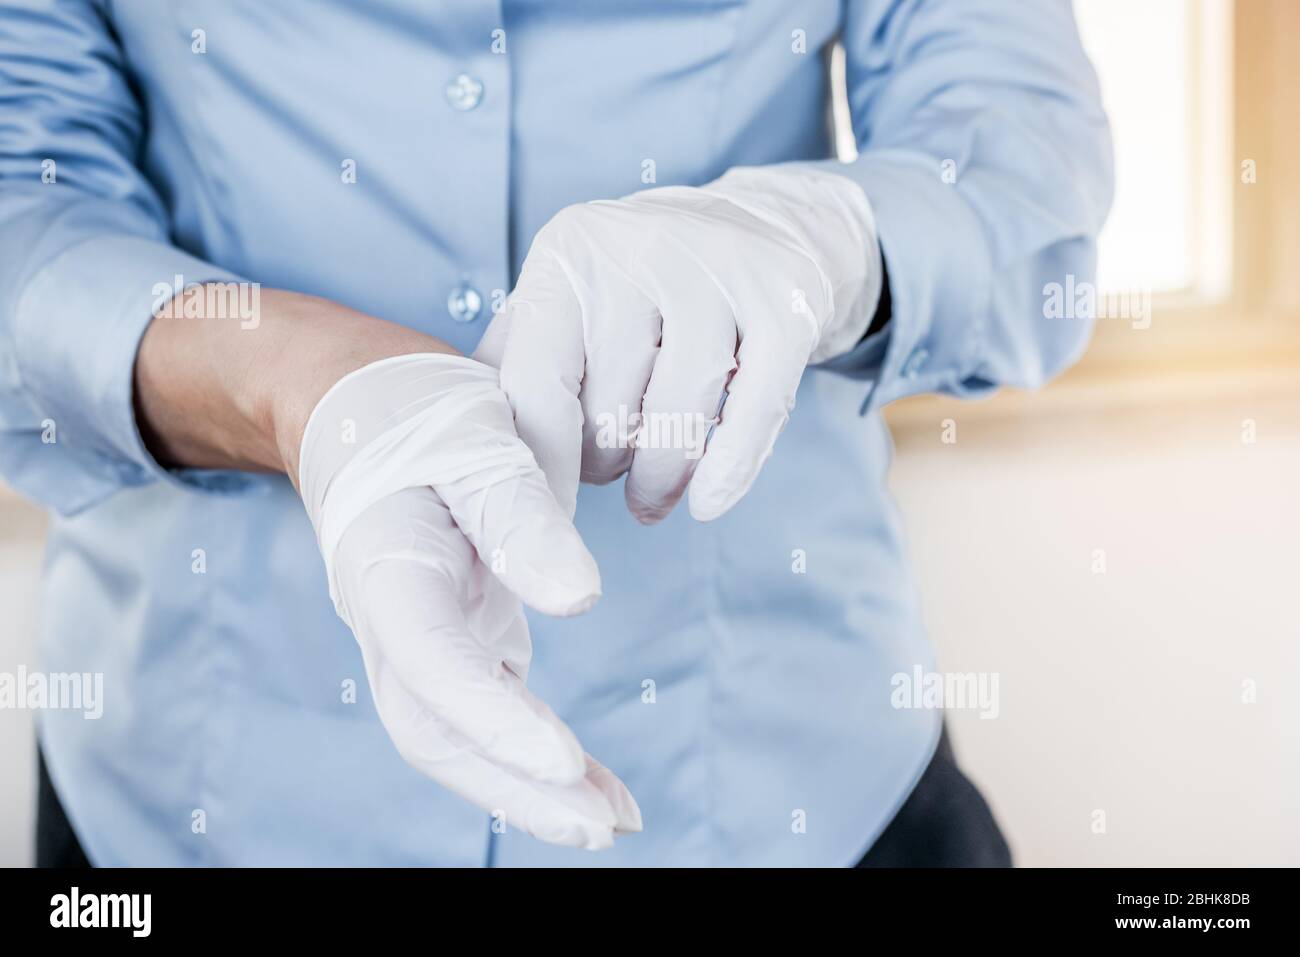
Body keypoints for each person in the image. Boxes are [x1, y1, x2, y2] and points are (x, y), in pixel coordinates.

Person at [0, 0, 1112, 866]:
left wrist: (829, 243)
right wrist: (302, 388)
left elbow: (1013, 142)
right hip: (196, 793)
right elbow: (20, 198)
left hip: (795, 784)